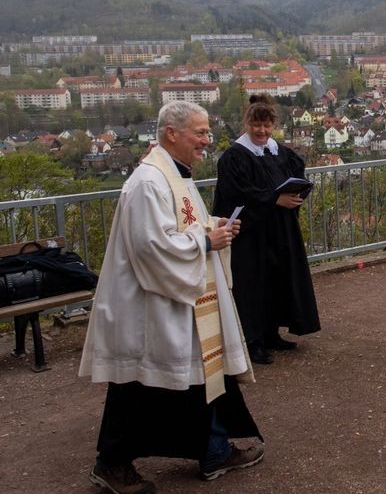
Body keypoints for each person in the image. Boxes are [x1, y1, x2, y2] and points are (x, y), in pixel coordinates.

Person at [79, 101, 264, 493]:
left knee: (202, 378)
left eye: (207, 132)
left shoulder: (175, 175)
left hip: (181, 300)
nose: (206, 141)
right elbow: (151, 247)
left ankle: (214, 450)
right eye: (199, 132)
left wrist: (214, 228)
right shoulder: (149, 181)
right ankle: (110, 464)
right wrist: (205, 240)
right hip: (150, 305)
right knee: (138, 386)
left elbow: (183, 226)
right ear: (171, 133)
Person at [213, 94, 320, 365]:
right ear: (247, 124)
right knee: (253, 285)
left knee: (277, 279)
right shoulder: (234, 157)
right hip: (251, 233)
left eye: (267, 125)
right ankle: (253, 341)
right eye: (256, 125)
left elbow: (293, 175)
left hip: (279, 230)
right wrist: (274, 199)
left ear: (273, 125)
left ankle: (272, 333)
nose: (261, 131)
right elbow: (238, 193)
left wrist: (294, 195)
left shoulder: (278, 151)